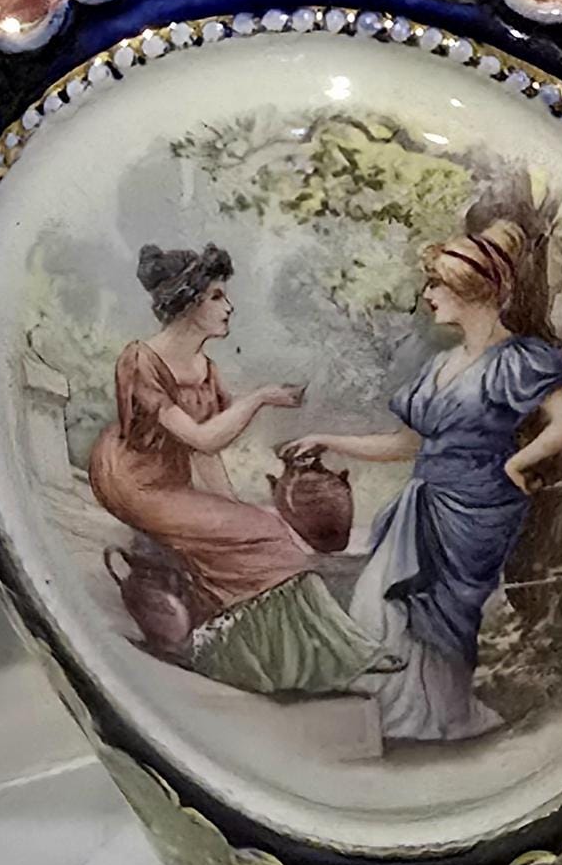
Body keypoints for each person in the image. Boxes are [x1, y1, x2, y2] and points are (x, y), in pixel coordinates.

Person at [289, 222, 562, 745]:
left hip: (476, 506)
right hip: (423, 502)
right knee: (377, 605)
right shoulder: (440, 367)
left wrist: (518, 463)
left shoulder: (518, 360)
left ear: (469, 290)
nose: (427, 295)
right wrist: (328, 439)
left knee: (434, 617)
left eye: (436, 285)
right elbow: (405, 444)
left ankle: (437, 723)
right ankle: (404, 720)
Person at [88, 242, 381, 697]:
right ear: (188, 304)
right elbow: (202, 438)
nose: (229, 307)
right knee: (268, 535)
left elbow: (205, 458)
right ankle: (270, 658)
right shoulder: (141, 361)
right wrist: (259, 398)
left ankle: (335, 653)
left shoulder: (205, 368)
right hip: (132, 479)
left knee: (256, 528)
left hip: (170, 481)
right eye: (217, 297)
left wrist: (231, 510)